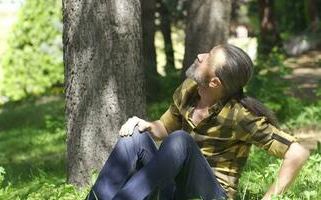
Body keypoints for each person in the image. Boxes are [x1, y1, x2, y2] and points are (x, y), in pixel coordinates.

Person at [86, 44, 310, 200]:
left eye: (208, 59)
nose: (201, 55)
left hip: (209, 194)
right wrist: (144, 124)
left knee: (180, 140)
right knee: (135, 134)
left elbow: (298, 153)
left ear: (215, 82)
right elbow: (165, 127)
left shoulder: (240, 115)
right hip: (173, 189)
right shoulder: (189, 90)